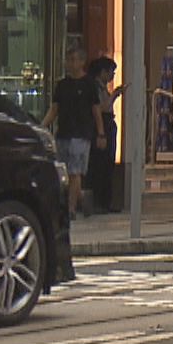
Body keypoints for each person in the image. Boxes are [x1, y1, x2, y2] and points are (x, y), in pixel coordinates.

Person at [40, 47, 99, 219]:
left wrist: (100, 133)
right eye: (69, 60)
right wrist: (43, 126)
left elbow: (96, 110)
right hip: (63, 133)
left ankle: (71, 209)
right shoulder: (62, 85)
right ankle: (81, 197)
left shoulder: (89, 84)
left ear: (82, 62)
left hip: (81, 134)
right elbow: (55, 109)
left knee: (75, 171)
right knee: (65, 172)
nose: (71, 64)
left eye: (75, 60)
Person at [87, 56, 123, 213]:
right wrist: (114, 95)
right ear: (102, 72)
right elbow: (101, 108)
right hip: (101, 126)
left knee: (107, 164)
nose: (112, 76)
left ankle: (106, 202)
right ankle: (99, 202)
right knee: (100, 164)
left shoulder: (101, 88)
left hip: (107, 125)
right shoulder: (95, 88)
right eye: (111, 72)